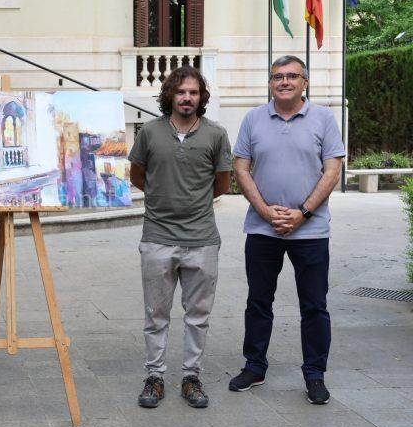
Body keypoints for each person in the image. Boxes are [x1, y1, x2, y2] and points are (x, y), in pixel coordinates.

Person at [228, 55, 345, 404]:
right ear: (270, 83)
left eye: (292, 76)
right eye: (277, 76)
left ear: (304, 83)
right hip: (262, 230)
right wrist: (266, 212)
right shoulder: (253, 118)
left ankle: (315, 375)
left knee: (314, 305)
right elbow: (241, 168)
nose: (284, 82)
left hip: (311, 231)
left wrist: (302, 213)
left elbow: (332, 171)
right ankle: (255, 366)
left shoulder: (324, 118)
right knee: (258, 302)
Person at [127, 66, 232, 409]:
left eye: (194, 92)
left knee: (198, 315)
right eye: (181, 91)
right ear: (170, 95)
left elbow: (222, 183)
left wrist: (191, 202)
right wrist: (165, 199)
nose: (187, 98)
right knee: (155, 314)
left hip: (202, 239)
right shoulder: (149, 132)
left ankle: (191, 377)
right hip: (158, 237)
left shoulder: (216, 134)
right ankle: (154, 377)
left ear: (201, 97)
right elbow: (138, 176)